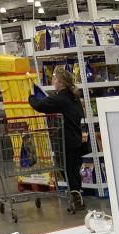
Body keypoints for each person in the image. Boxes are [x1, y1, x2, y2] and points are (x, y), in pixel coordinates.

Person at [29, 67, 86, 213]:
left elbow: (40, 105)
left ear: (61, 83)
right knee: (73, 169)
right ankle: (77, 196)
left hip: (65, 140)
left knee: (69, 169)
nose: (53, 81)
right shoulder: (73, 97)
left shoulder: (60, 98)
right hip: (76, 139)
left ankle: (76, 200)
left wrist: (31, 97)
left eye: (55, 79)